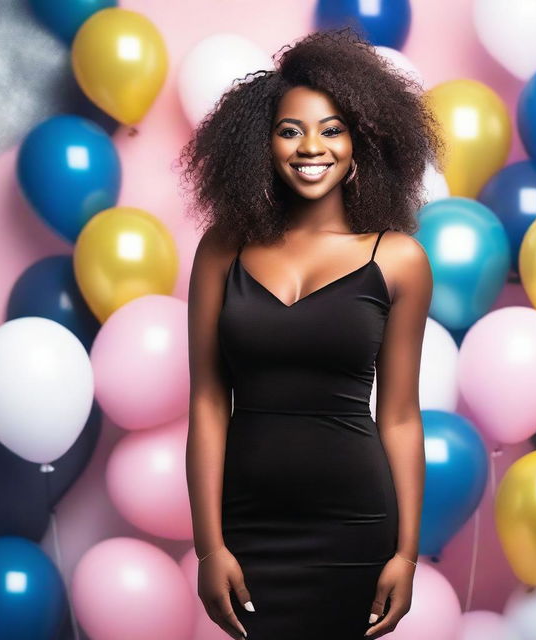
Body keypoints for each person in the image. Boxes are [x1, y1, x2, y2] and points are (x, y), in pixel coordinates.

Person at [180, 26, 444, 640]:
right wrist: (208, 547)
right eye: (290, 130)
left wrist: (405, 555)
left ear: (361, 144)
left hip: (355, 526)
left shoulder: (398, 259)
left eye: (332, 130)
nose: (311, 147)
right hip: (249, 527)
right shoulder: (224, 248)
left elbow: (401, 415)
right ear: (262, 144)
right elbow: (208, 400)